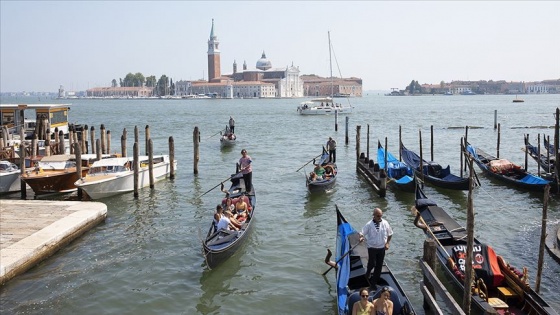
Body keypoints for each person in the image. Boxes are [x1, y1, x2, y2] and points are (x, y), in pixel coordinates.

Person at [359, 208, 393, 290]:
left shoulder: (385, 223)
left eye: (381, 215)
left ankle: (373, 283)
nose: (379, 217)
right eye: (378, 216)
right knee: (372, 264)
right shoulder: (369, 224)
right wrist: (361, 237)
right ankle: (368, 273)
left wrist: (387, 243)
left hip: (381, 248)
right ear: (374, 215)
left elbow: (390, 233)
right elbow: (362, 233)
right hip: (372, 247)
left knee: (379, 266)